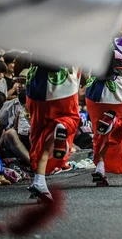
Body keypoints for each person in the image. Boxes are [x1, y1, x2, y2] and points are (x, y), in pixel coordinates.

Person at [85, 37, 122, 186]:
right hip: (118, 91)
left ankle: (100, 168)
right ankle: (113, 122)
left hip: (93, 92)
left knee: (99, 133)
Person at [26, 61, 81, 202]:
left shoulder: (34, 37)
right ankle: (62, 125)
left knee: (39, 136)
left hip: (35, 86)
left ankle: (39, 181)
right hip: (63, 84)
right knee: (71, 118)